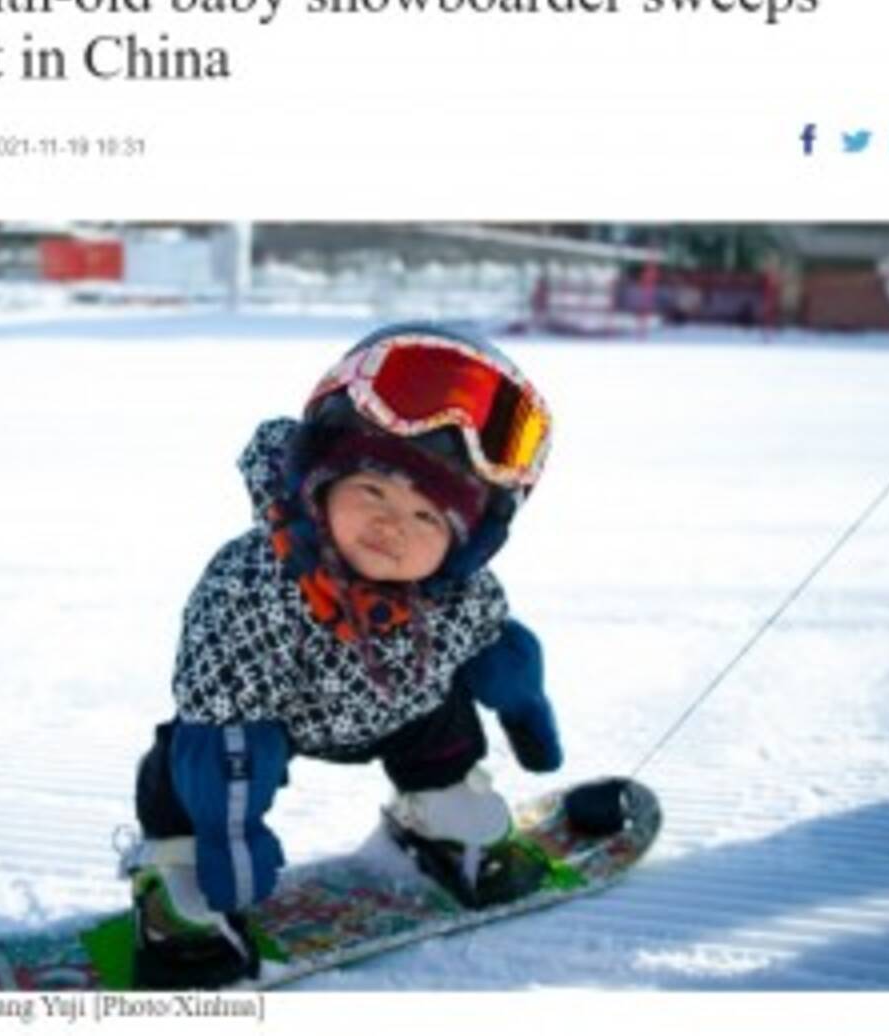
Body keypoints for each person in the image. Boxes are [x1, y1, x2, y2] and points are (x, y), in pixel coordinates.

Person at [126, 323, 562, 986]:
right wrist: (227, 830)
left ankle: (437, 811)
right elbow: (224, 730)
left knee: (442, 713)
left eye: (427, 519)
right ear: (318, 481)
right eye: (373, 492)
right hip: (270, 727)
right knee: (192, 764)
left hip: (399, 709)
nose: (394, 526)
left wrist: (523, 703)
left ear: (468, 543)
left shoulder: (455, 595)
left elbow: (495, 651)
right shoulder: (252, 585)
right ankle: (179, 869)